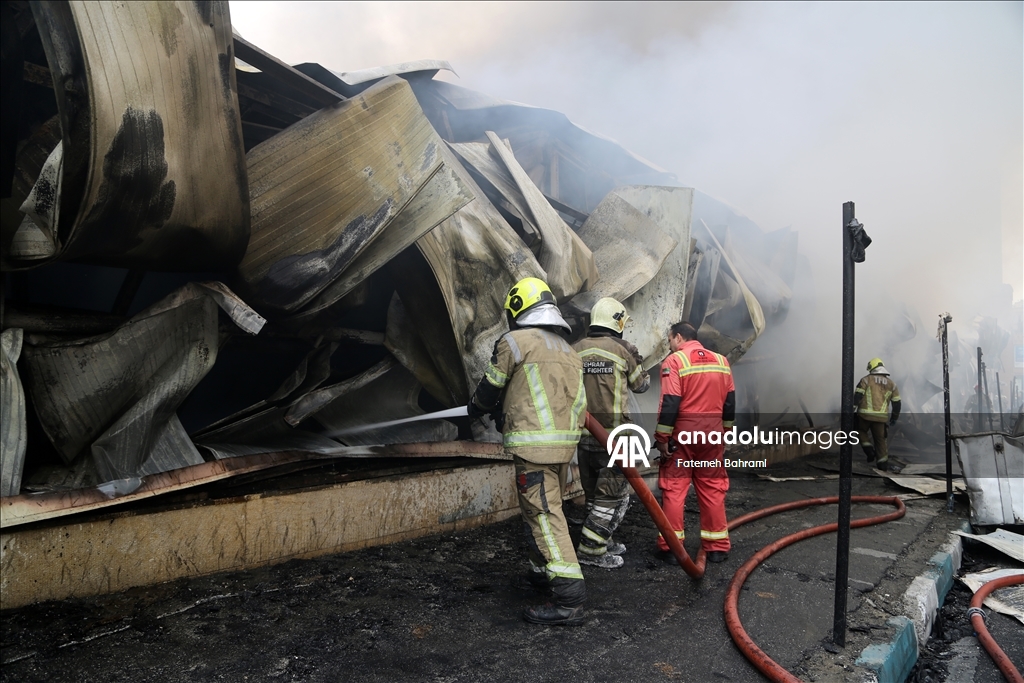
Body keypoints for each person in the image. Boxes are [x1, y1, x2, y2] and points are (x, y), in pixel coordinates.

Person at [468, 277, 587, 626]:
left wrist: (476, 407)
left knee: (544, 515)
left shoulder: (515, 342)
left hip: (534, 447)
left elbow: (491, 385)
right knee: (542, 509)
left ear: (517, 308)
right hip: (563, 446)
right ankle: (542, 571)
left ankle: (570, 598)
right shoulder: (570, 351)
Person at [571, 297, 650, 569]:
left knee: (594, 494)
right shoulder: (623, 350)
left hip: (584, 439)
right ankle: (591, 551)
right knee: (611, 498)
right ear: (618, 323)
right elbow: (641, 385)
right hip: (615, 439)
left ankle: (603, 539)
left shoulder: (574, 350)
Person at [654, 321, 735, 563]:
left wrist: (662, 439)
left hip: (683, 438)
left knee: (674, 490)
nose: (669, 346)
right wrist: (726, 433)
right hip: (712, 436)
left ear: (678, 337)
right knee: (713, 489)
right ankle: (717, 547)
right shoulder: (722, 361)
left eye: (669, 340)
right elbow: (730, 401)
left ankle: (671, 549)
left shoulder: (675, 361)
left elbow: (670, 402)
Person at [855, 357, 901, 471]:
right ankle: (882, 465)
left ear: (871, 368)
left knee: (860, 431)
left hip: (864, 416)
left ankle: (869, 450)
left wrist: (851, 410)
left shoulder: (866, 380)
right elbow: (897, 403)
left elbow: (857, 397)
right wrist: (894, 418)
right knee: (881, 440)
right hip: (881, 418)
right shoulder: (892, 384)